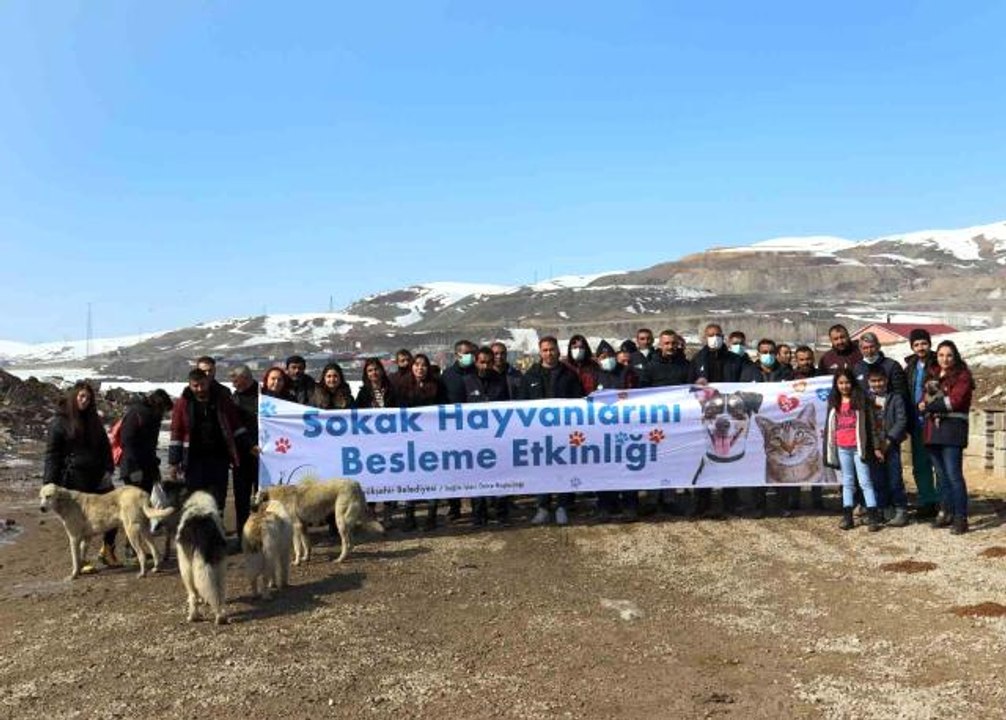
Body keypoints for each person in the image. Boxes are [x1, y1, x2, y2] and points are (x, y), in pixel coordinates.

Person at [43, 381, 116, 572]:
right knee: (81, 521)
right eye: (81, 396)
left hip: (98, 474)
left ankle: (108, 549)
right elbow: (52, 454)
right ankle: (82, 560)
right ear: (74, 397)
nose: (85, 400)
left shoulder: (93, 419)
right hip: (75, 477)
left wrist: (109, 468)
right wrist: (49, 482)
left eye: (88, 398)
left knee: (114, 508)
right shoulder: (59, 422)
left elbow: (105, 446)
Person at [169, 368, 250, 533]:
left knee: (218, 497)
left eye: (202, 384)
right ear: (190, 385)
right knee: (196, 497)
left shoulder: (221, 400)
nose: (200, 389)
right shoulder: (183, 403)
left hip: (218, 457)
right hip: (192, 459)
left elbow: (235, 425)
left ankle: (217, 532)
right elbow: (177, 431)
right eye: (195, 385)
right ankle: (198, 534)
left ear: (208, 382)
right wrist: (173, 462)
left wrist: (249, 445)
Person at [520, 336, 584, 525]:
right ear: (540, 352)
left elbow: (578, 402)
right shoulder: (530, 376)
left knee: (563, 469)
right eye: (545, 350)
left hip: (563, 433)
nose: (549, 353)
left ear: (558, 351)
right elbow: (521, 404)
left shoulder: (570, 375)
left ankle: (562, 506)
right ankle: (542, 507)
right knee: (541, 470)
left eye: (552, 349)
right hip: (538, 434)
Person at [688, 323, 745, 517]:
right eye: (711, 335)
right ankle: (702, 501)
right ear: (705, 338)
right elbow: (689, 388)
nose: (715, 338)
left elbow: (745, 381)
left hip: (730, 415)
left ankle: (731, 501)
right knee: (704, 455)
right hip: (708, 417)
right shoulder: (697, 359)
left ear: (724, 337)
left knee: (729, 457)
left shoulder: (735, 360)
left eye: (718, 335)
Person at [921, 340, 974, 535]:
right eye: (941, 355)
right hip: (932, 431)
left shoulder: (963, 375)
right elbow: (923, 398)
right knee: (941, 476)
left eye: (949, 355)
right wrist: (923, 403)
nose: (945, 359)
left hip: (952, 430)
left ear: (955, 356)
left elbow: (956, 401)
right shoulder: (932, 374)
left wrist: (929, 406)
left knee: (953, 475)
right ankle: (946, 512)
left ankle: (961, 517)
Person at [823, 368, 881, 532]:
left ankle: (872, 516)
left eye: (847, 382)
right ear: (836, 384)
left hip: (859, 448)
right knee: (847, 482)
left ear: (852, 383)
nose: (844, 386)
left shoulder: (861, 400)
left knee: (865, 481)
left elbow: (871, 426)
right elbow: (830, 427)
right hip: (842, 448)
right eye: (840, 383)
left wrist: (875, 446)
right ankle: (847, 516)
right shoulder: (834, 402)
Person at [741, 338, 794, 517]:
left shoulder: (785, 372)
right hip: (756, 425)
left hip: (780, 425)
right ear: (758, 353)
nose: (768, 355)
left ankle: (782, 505)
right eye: (764, 352)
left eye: (771, 352)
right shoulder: (748, 372)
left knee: (781, 463)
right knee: (756, 464)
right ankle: (758, 505)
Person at [593, 339, 640, 521]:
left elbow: (638, 395)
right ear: (598, 359)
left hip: (626, 428)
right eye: (603, 357)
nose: (607, 359)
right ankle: (605, 505)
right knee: (604, 469)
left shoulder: (627, 373)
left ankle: (630, 505)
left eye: (610, 356)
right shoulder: (595, 376)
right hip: (602, 431)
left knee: (628, 466)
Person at [399, 353, 447, 530]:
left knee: (431, 476)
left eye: (424, 365)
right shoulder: (402, 386)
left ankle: (431, 515)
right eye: (417, 365)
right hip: (410, 439)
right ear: (411, 367)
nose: (420, 368)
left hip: (431, 439)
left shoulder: (437, 386)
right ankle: (409, 515)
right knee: (411, 477)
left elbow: (444, 408)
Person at [466, 347, 510, 525]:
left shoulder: (500, 381)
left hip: (496, 437)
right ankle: (478, 513)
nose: (485, 366)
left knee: (500, 474)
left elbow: (508, 407)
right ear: (476, 362)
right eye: (482, 362)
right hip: (474, 438)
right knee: (476, 476)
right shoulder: (467, 381)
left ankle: (501, 512)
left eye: (489, 362)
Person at [903, 329, 941, 519]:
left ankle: (943, 502)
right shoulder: (910, 366)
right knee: (920, 464)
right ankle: (927, 501)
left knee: (938, 463)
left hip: (935, 421)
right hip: (916, 423)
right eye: (916, 344)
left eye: (923, 343)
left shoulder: (938, 363)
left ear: (929, 343)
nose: (920, 347)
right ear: (912, 346)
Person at [439, 340, 477, 521]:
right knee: (453, 470)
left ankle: (478, 506)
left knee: (477, 468)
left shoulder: (477, 372)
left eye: (471, 352)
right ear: (457, 355)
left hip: (476, 430)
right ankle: (454, 506)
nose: (470, 356)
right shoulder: (447, 375)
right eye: (466, 352)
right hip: (453, 430)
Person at [866, 366, 909, 527]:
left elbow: (901, 420)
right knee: (877, 479)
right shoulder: (866, 399)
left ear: (886, 381)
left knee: (894, 478)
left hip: (891, 444)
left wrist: (889, 440)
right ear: (869, 382)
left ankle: (900, 509)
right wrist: (876, 445)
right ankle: (883, 508)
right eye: (874, 381)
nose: (877, 384)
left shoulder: (895, 398)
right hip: (874, 446)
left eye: (880, 381)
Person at [119, 389, 174, 493]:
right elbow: (127, 441)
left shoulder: (151, 416)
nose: (163, 414)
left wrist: (154, 467)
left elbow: (149, 446)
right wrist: (134, 468)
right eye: (164, 410)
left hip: (146, 467)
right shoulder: (138, 413)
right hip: (134, 467)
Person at [229, 365, 261, 538]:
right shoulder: (233, 400)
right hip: (241, 456)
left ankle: (261, 533)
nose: (234, 383)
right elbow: (233, 427)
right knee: (241, 498)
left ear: (246, 378)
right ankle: (243, 535)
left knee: (262, 496)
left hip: (263, 454)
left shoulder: (263, 395)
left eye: (236, 379)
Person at [853, 332, 908, 401]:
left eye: (872, 347)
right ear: (860, 349)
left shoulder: (892, 366)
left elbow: (900, 393)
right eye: (865, 348)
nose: (869, 351)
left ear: (878, 346)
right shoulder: (857, 368)